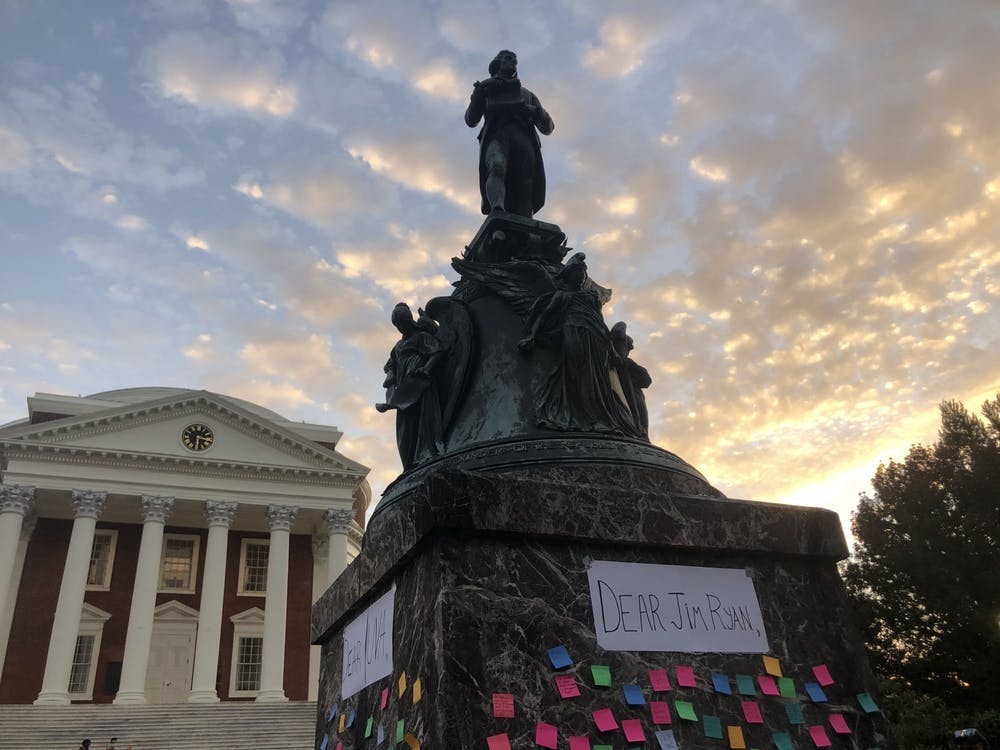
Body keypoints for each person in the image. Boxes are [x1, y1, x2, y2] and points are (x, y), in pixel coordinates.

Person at [465, 49, 554, 218]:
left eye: (515, 60)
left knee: (526, 181)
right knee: (496, 166)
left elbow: (548, 127)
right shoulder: (487, 88)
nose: (513, 62)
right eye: (508, 58)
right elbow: (471, 119)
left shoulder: (527, 94)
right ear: (497, 63)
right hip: (497, 134)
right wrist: (478, 95)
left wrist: (534, 111)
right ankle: (497, 209)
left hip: (523, 137)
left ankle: (525, 221)